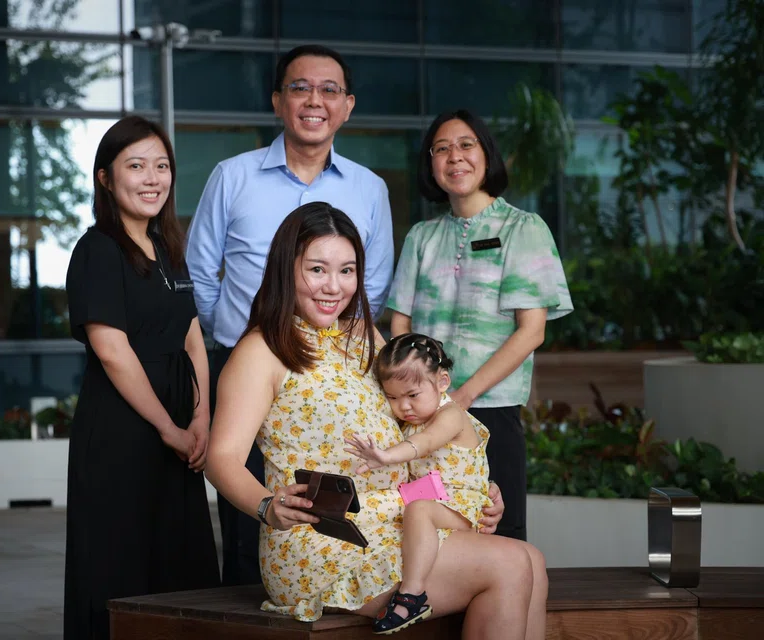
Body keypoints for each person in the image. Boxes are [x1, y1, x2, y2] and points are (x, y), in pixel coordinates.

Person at [205, 202, 547, 639]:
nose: (333, 286)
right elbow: (221, 458)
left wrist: (468, 489)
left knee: (532, 560)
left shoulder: (365, 336)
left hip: (401, 518)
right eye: (317, 269)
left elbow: (416, 424)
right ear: (286, 269)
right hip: (324, 538)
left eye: (347, 271)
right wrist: (267, 506)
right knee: (510, 563)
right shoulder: (261, 350)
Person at [186, 44, 394, 585]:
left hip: (334, 368)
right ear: (278, 100)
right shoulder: (233, 176)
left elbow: (371, 285)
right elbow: (200, 272)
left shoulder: (369, 189)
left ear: (347, 106)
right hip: (248, 362)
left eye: (329, 90)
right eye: (300, 88)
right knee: (248, 519)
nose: (314, 101)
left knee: (337, 500)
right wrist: (241, 336)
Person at [63, 116, 219, 639]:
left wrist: (201, 417)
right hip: (122, 428)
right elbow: (112, 352)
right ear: (105, 178)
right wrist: (168, 427)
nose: (152, 178)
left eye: (162, 166)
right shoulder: (97, 250)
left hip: (179, 424)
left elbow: (192, 336)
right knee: (120, 562)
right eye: (136, 166)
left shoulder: (169, 246)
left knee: (177, 560)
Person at [386, 109, 573, 541]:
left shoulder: (523, 228)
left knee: (498, 534)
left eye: (466, 145)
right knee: (424, 531)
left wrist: (463, 396)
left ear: (487, 154)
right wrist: (413, 394)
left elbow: (532, 331)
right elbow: (401, 323)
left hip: (491, 410)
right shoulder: (421, 237)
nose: (455, 157)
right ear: (431, 164)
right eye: (441, 149)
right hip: (421, 414)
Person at [345, 333, 493, 634]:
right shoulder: (411, 420)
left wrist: (386, 456)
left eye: (413, 395)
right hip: (439, 503)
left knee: (418, 510)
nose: (404, 406)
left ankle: (411, 595)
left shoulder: (451, 415)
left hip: (465, 507)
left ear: (442, 382)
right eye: (393, 398)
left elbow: (425, 442)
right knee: (414, 511)